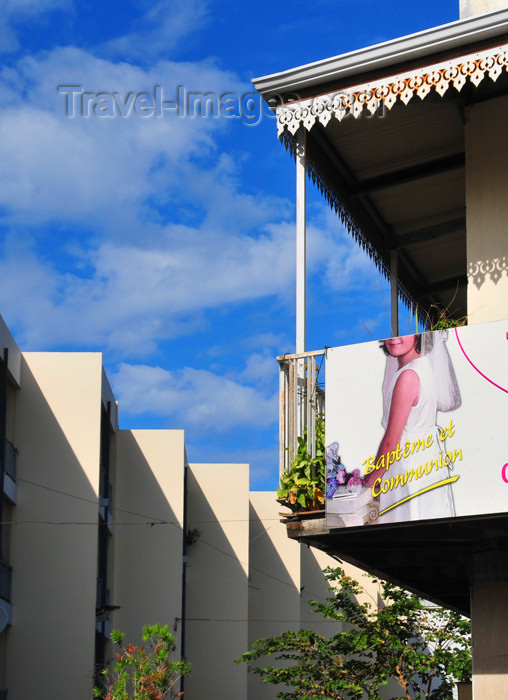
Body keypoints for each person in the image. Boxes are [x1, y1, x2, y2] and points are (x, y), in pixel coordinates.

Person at [363, 331, 461, 524]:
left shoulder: (408, 376)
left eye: (403, 333)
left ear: (419, 336)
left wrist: (370, 482)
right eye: (389, 333)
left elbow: (392, 441)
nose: (393, 338)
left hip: (408, 467)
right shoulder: (423, 367)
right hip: (424, 461)